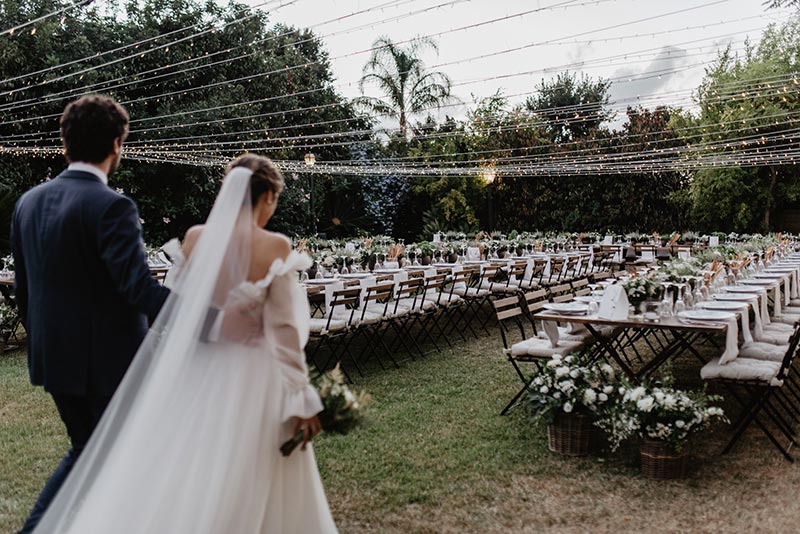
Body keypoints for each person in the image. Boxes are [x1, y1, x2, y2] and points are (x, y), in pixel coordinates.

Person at [31, 154, 337, 532]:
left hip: (197, 370)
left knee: (193, 467)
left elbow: (178, 310)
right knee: (252, 469)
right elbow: (286, 333)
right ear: (269, 197)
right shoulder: (275, 246)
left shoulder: (195, 239)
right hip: (253, 379)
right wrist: (302, 397)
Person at [10, 95, 261, 534]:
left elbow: (25, 291)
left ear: (65, 144)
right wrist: (216, 322)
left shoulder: (28, 203)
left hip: (53, 361)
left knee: (91, 453)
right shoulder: (111, 205)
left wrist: (49, 341)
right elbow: (138, 289)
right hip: (108, 366)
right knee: (122, 457)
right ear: (116, 145)